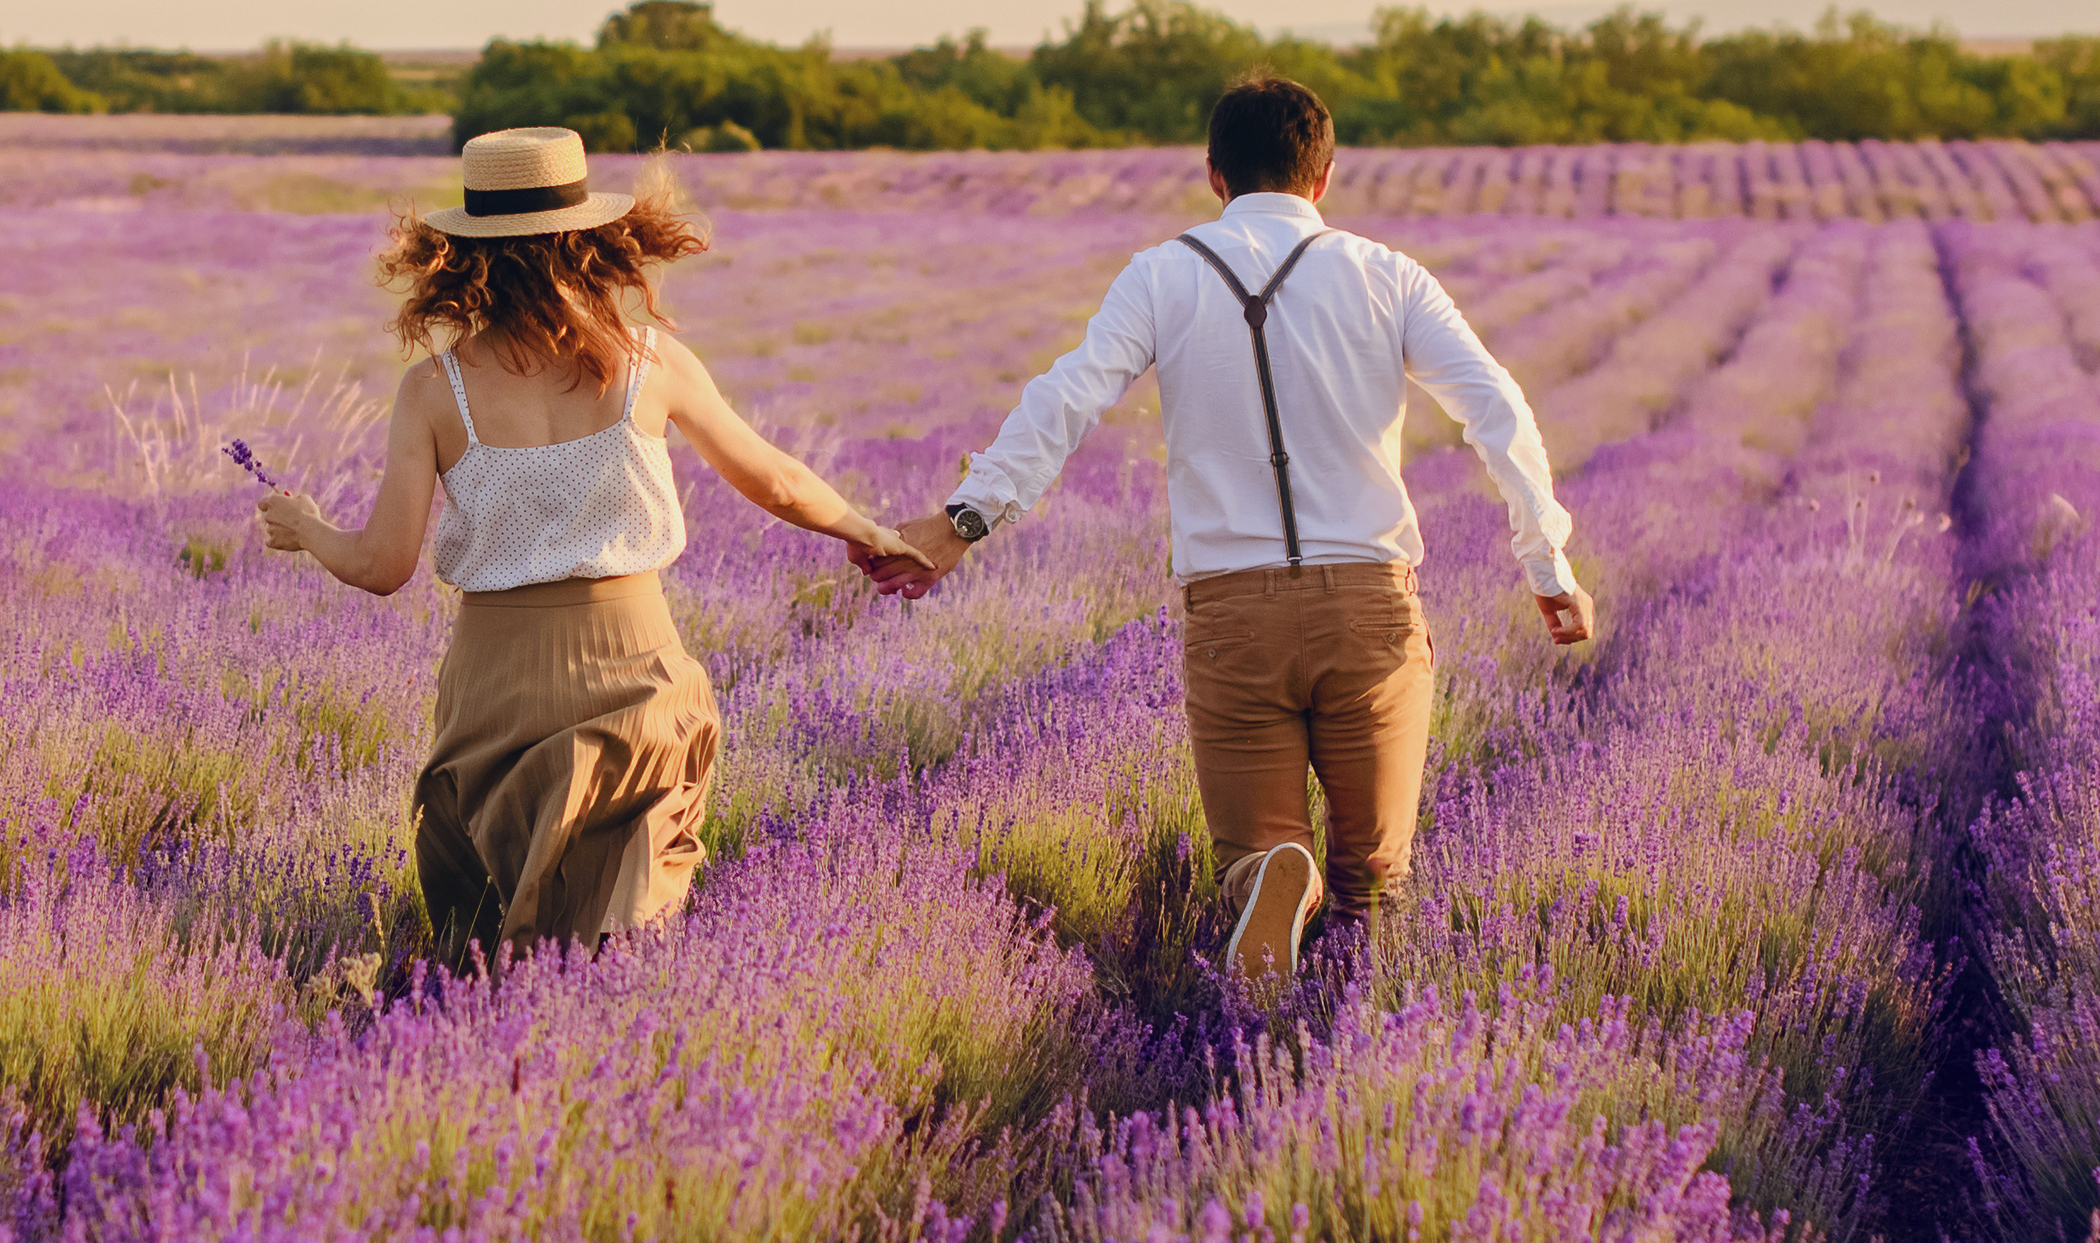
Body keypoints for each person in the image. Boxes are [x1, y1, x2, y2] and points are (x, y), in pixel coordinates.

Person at [857, 75, 1594, 986]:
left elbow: (1068, 397)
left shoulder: (1163, 273)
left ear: (1213, 176)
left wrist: (962, 520)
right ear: (1324, 177)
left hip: (1233, 613)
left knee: (1251, 860)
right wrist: (1546, 559)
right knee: (1378, 883)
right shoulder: (1388, 275)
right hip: (1370, 608)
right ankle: (1339, 1071)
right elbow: (1497, 408)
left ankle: (1271, 891)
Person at [259, 126, 930, 959]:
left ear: (465, 256)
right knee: (629, 937)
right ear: (588, 243)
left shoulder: (435, 390)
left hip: (493, 697)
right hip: (634, 676)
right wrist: (867, 531)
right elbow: (777, 481)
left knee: (492, 951)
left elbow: (383, 566)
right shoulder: (652, 361)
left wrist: (307, 528)